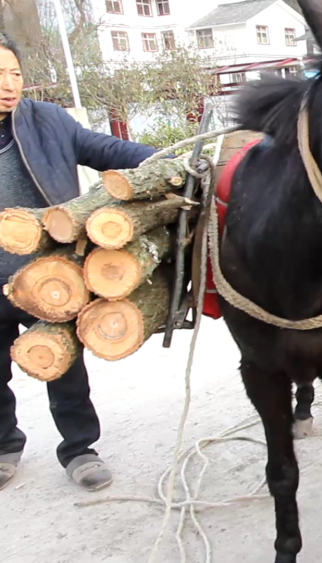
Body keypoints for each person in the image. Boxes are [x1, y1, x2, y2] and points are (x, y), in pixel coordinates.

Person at [0, 33, 159, 491]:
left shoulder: (46, 120)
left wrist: (164, 160)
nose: (10, 84)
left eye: (15, 74)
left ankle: (79, 450)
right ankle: (4, 444)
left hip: (48, 275)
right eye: (0, 75)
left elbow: (105, 149)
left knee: (65, 367)